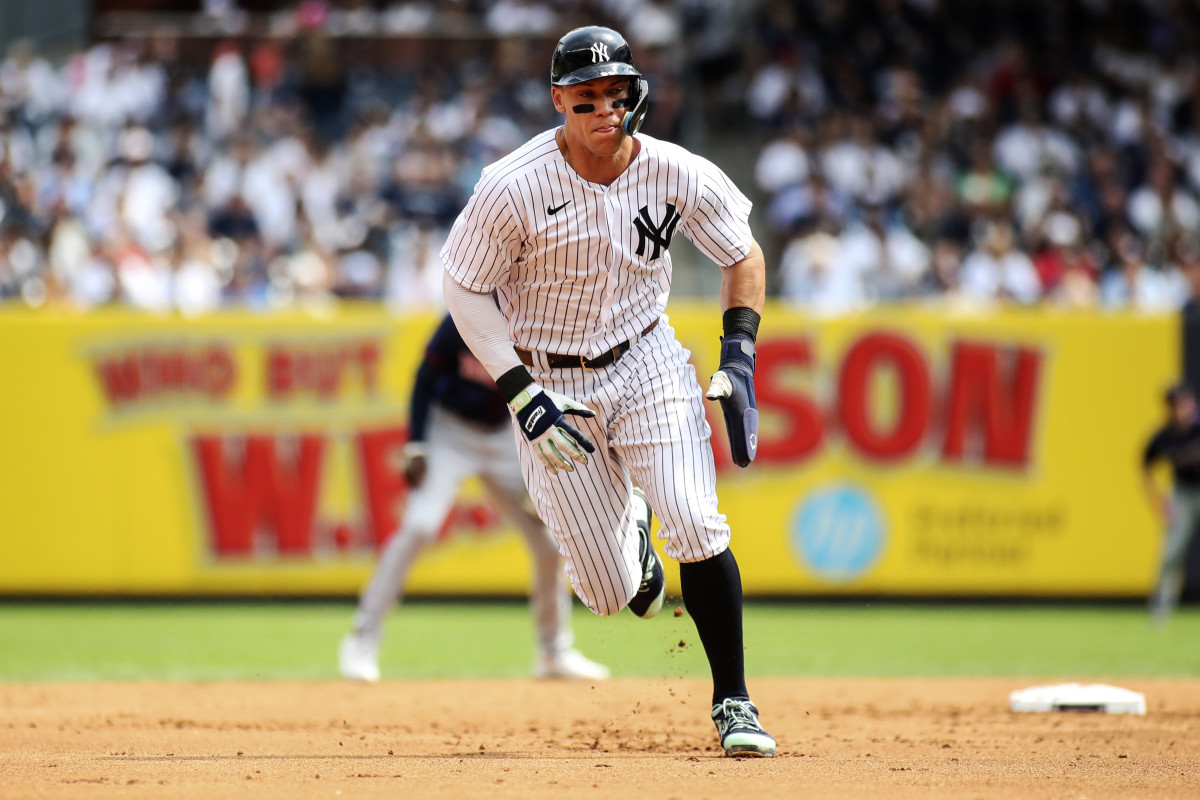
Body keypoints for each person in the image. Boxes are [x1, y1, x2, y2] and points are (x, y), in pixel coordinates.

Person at [438, 26, 776, 757]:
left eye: (615, 96)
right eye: (586, 99)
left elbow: (742, 253)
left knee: (695, 519)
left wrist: (740, 355)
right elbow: (462, 287)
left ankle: (734, 702)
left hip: (646, 358)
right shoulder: (513, 185)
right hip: (550, 379)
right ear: (559, 100)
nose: (603, 112)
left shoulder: (675, 171)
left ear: (634, 96)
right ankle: (634, 552)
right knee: (608, 591)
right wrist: (520, 390)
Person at [338, 314, 610, 682]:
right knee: (419, 525)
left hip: (505, 436)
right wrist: (417, 443)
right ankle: (362, 638)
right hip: (449, 431)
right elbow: (425, 377)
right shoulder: (463, 317)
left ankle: (553, 652)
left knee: (548, 542)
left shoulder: (535, 321)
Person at [1142, 381, 1200, 624]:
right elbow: (1145, 468)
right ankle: (1161, 609)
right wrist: (1158, 501)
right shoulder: (1163, 437)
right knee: (1171, 553)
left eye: (1186, 402)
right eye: (1177, 404)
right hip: (1183, 495)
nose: (1184, 408)